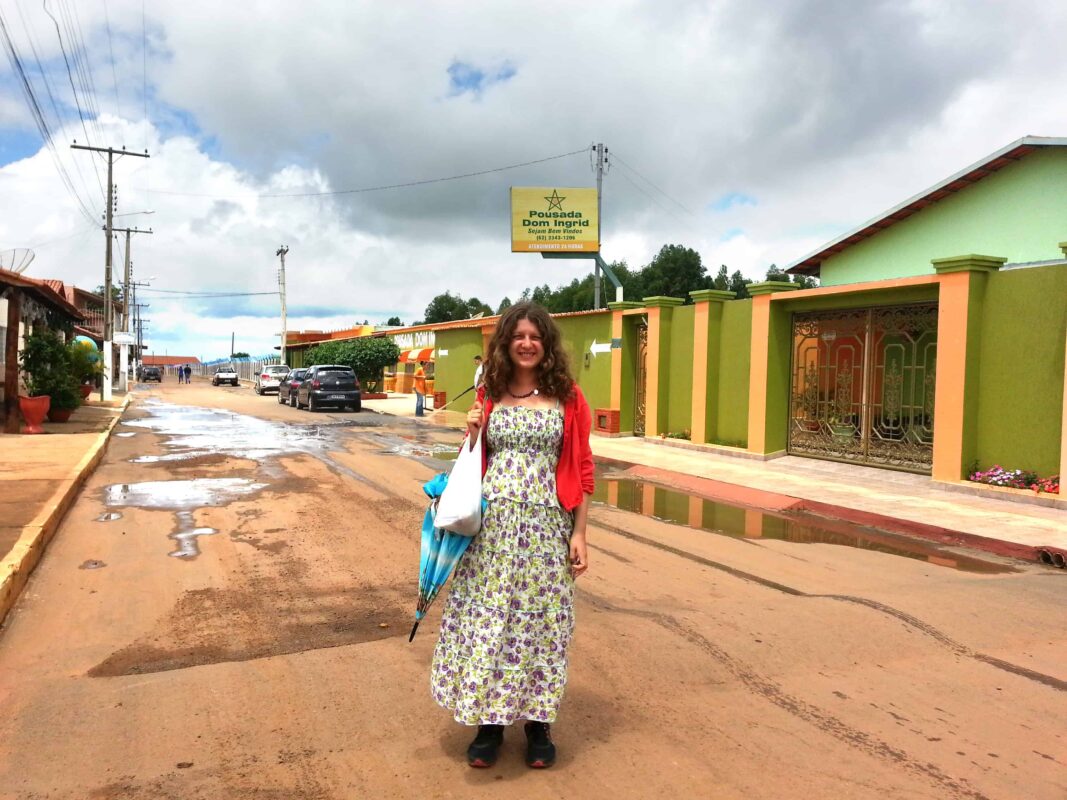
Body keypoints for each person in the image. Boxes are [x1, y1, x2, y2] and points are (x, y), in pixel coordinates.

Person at [430, 301, 593, 770]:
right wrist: (470, 432)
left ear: (546, 345)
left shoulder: (569, 397)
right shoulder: (490, 392)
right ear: (505, 342)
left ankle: (538, 725)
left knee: (542, 624)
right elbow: (471, 463)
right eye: (518, 336)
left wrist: (580, 533)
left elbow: (582, 468)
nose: (526, 344)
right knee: (492, 621)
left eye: (535, 336)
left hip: (546, 528)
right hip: (493, 531)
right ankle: (490, 725)